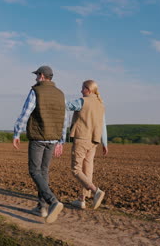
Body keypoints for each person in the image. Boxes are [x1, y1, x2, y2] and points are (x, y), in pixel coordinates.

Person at [13, 65, 68, 224]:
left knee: (34, 171)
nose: (36, 78)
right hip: (53, 139)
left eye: (37, 75)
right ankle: (41, 207)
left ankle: (52, 202)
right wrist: (61, 140)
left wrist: (17, 132)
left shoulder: (36, 91)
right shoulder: (60, 94)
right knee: (43, 171)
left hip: (38, 137)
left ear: (42, 76)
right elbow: (64, 118)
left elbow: (25, 113)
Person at [66, 80, 108, 210]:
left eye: (82, 88)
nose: (81, 91)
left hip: (82, 138)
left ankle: (96, 191)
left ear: (88, 89)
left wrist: (53, 99)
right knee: (87, 170)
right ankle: (82, 200)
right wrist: (105, 143)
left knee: (76, 169)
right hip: (93, 141)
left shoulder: (83, 101)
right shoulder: (101, 104)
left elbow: (67, 106)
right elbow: (103, 125)